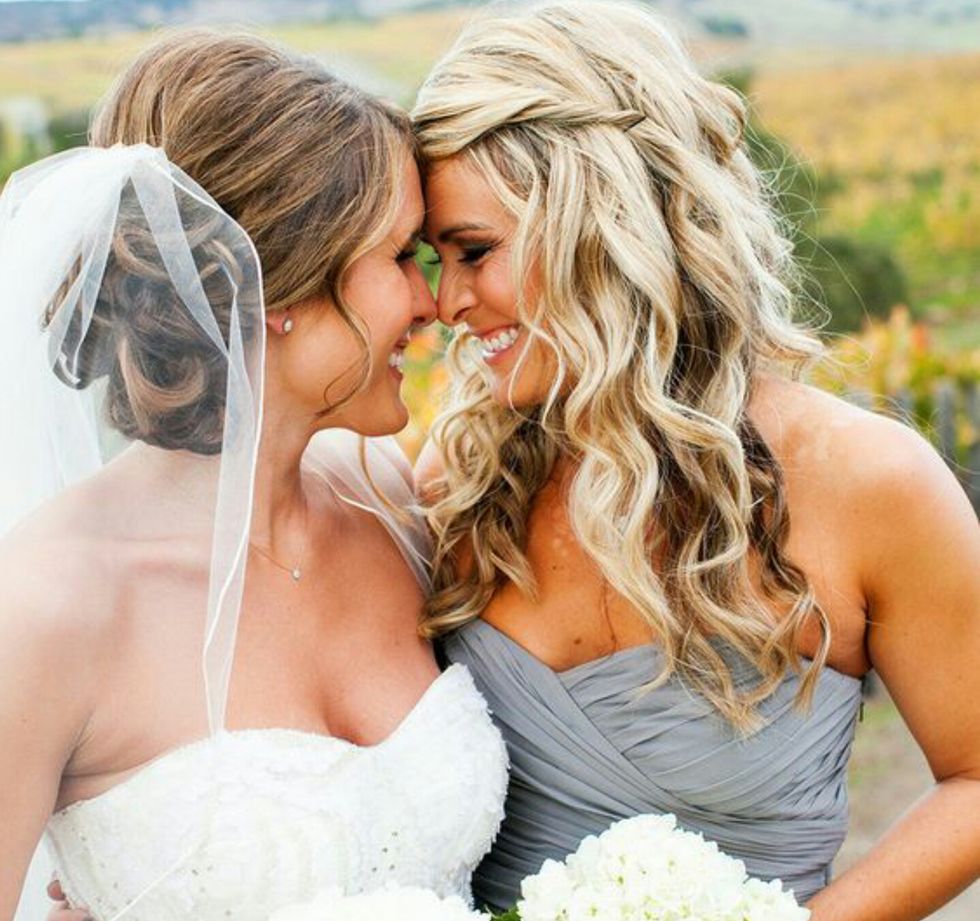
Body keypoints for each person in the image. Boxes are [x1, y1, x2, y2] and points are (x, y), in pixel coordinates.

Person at [412, 2, 980, 918]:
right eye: (433, 260)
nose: (448, 304)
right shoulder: (458, 483)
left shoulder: (871, 484)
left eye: (475, 251)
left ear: (603, 224)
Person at [2, 30, 507, 921]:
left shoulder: (391, 498)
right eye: (400, 256)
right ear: (277, 289)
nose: (431, 302)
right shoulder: (45, 606)